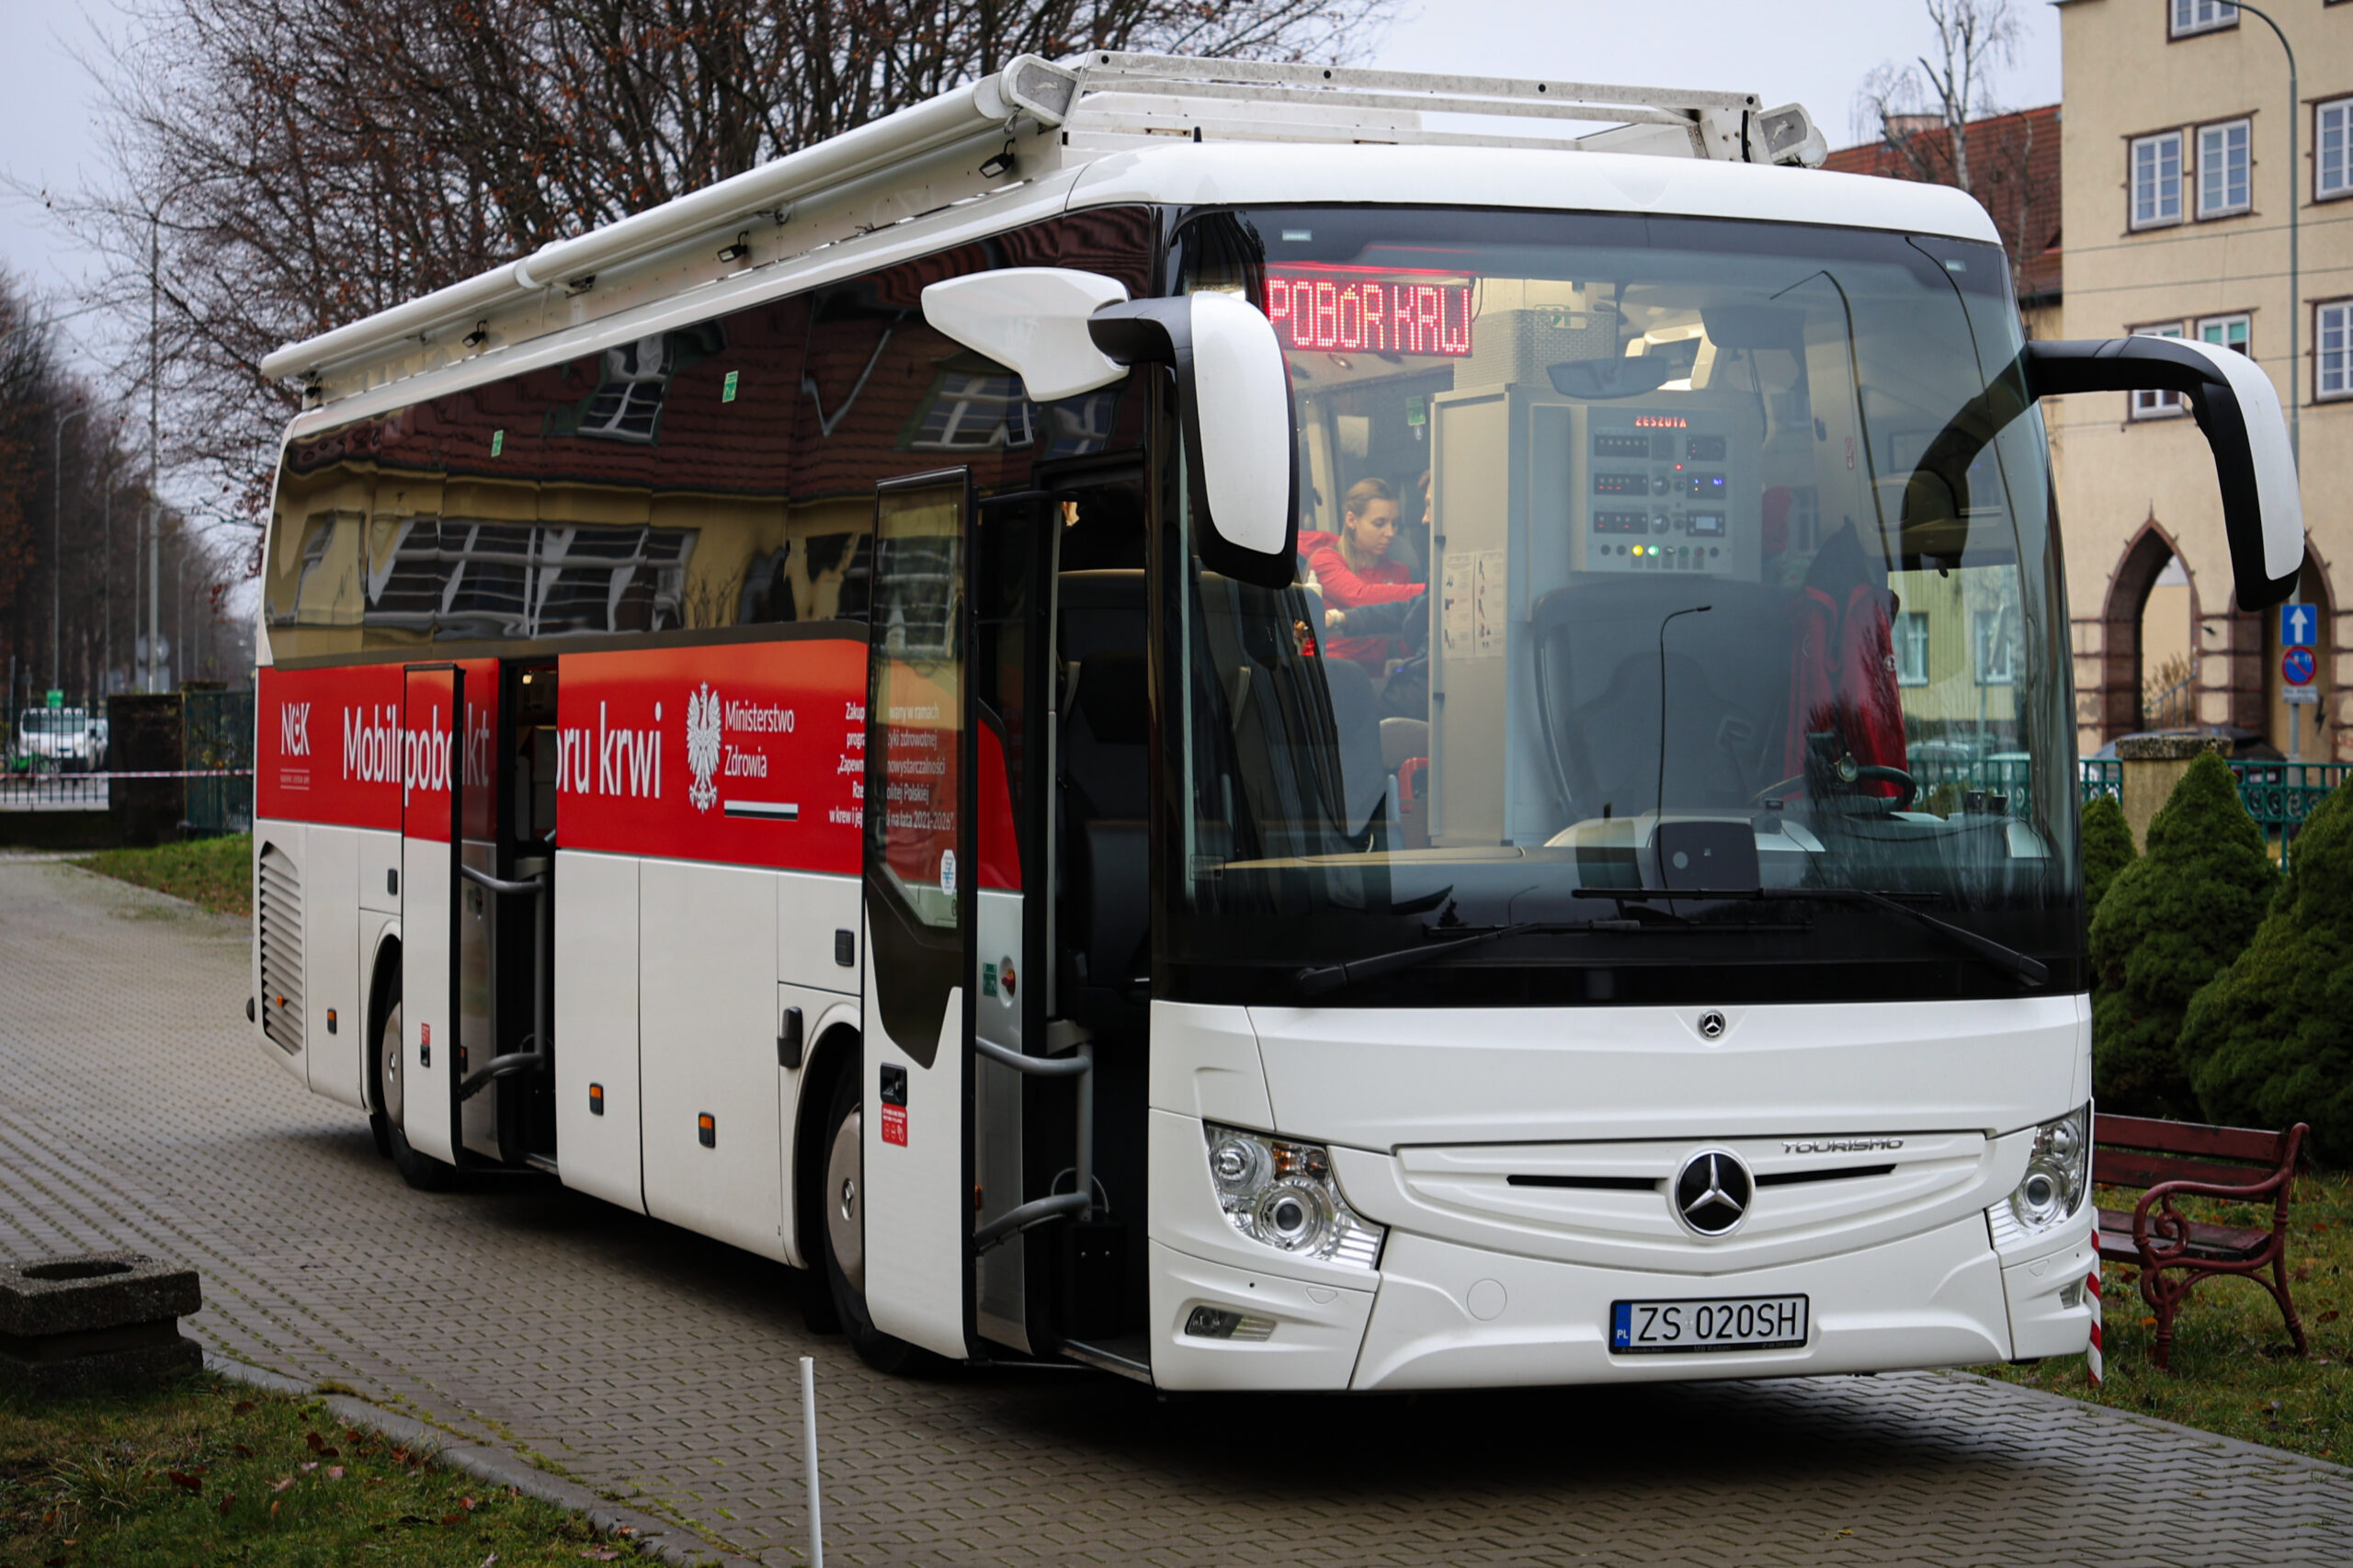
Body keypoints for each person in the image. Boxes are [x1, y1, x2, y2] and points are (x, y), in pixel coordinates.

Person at [1302, 477, 1423, 672]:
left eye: (1395, 524)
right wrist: (1432, 589)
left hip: (1376, 678)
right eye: (1379, 523)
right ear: (1352, 520)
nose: (1390, 532)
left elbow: (1405, 640)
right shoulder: (1326, 560)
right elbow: (1361, 597)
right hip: (1333, 675)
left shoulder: (1400, 572)